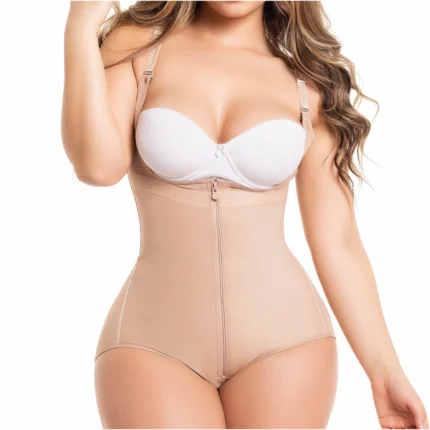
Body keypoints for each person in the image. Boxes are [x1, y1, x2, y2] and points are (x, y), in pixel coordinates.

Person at [61, 1, 428, 429]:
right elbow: (97, 167)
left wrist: (385, 371)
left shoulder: (311, 79)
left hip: (287, 343)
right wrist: (79, 29)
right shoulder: (138, 49)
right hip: (153, 342)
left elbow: (338, 242)